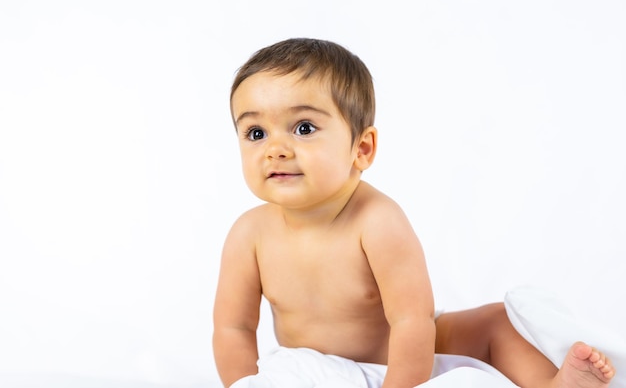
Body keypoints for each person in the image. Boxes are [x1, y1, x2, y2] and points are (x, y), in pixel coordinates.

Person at [212, 38, 616, 388]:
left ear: (362, 149)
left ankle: (552, 383)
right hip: (317, 372)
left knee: (497, 322)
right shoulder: (250, 234)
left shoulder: (377, 221)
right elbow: (235, 328)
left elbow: (413, 321)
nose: (275, 148)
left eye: (303, 128)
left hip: (408, 358)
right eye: (255, 133)